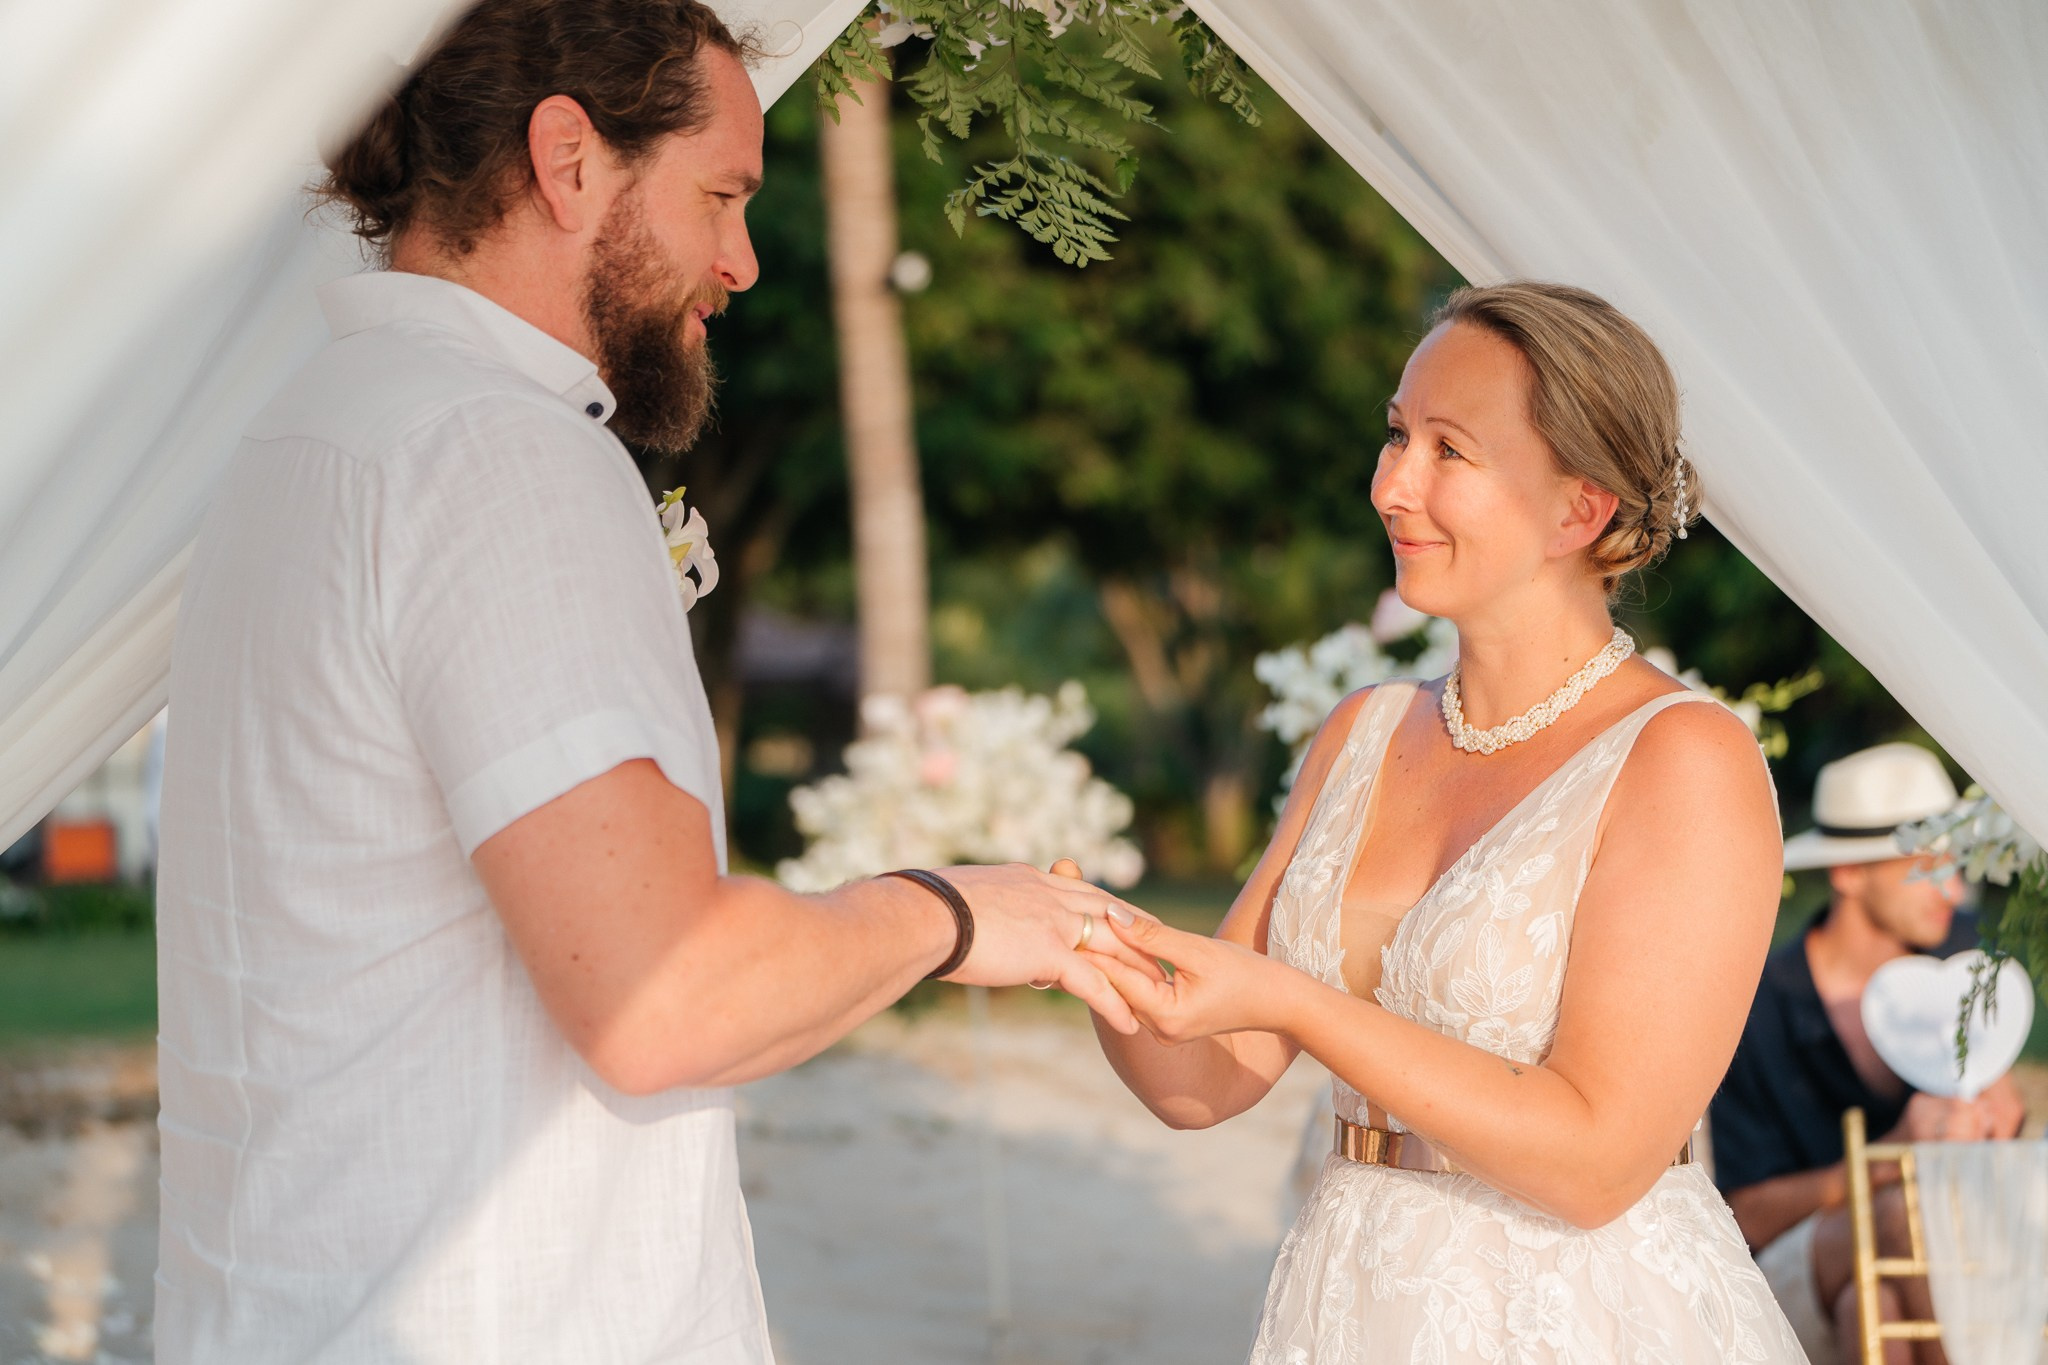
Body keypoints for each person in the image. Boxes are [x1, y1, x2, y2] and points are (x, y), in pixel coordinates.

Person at [152, 4, 1147, 1361]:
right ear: (568, 162)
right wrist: (952, 912)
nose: (740, 261)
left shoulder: (308, 436)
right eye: (719, 195)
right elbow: (662, 995)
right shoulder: (496, 457)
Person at [1082, 282, 1807, 1361]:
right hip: (1348, 1302)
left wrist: (1300, 1002)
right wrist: (1092, 950)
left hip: (1577, 1315)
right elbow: (1201, 1081)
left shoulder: (1682, 759)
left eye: (1447, 451)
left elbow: (1600, 1160)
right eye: (1393, 436)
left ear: (1580, 507)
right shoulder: (1360, 733)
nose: (1390, 486)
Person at [1711, 743, 2025, 1364]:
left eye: (1954, 861)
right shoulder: (1755, 1005)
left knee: (1872, 1305)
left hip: (1930, 1258)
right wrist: (1892, 1157)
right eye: (1924, 864)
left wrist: (1998, 1113)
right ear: (1849, 873)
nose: (1954, 886)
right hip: (1791, 1265)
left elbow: (1998, 1110)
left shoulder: (1960, 958)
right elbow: (1741, 1215)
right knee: (1898, 1218)